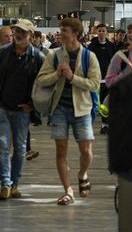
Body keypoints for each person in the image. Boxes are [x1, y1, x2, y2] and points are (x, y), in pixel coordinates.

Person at [35, 17, 101, 206]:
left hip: (82, 109)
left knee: (86, 151)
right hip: (59, 110)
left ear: (76, 34)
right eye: (61, 30)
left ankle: (82, 174)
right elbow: (41, 80)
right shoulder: (53, 55)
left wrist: (72, 77)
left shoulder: (90, 57)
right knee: (61, 150)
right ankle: (68, 190)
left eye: (65, 30)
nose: (61, 33)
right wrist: (57, 74)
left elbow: (95, 84)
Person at [0, 19, 45, 200]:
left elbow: (42, 87)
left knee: (20, 149)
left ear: (31, 36)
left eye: (23, 32)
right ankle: (5, 184)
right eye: (16, 30)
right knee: (2, 146)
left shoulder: (38, 58)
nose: (18, 34)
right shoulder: (2, 53)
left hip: (22, 111)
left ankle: (15, 184)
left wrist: (32, 106)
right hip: (1, 107)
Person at [87, 23, 118, 134]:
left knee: (105, 105)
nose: (101, 33)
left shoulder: (111, 46)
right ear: (96, 32)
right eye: (99, 31)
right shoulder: (91, 46)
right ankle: (88, 126)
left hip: (108, 80)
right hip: (95, 80)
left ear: (106, 32)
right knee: (94, 104)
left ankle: (105, 124)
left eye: (103, 31)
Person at [104, 23, 132, 88]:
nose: (131, 35)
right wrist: (125, 73)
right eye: (129, 32)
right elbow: (108, 82)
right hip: (125, 96)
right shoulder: (120, 56)